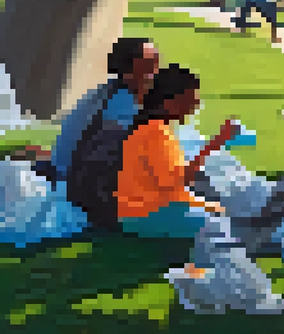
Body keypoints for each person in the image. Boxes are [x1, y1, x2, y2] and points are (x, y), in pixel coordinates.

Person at [117, 65, 238, 238]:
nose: (197, 103)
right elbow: (180, 181)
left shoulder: (152, 127)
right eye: (191, 98)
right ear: (170, 104)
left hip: (144, 209)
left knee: (226, 211)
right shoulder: (156, 133)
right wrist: (216, 143)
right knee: (226, 226)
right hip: (146, 214)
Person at [34, 38, 160, 192]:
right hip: (70, 181)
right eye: (150, 63)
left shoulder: (112, 91)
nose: (157, 69)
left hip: (64, 171)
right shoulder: (121, 103)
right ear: (129, 70)